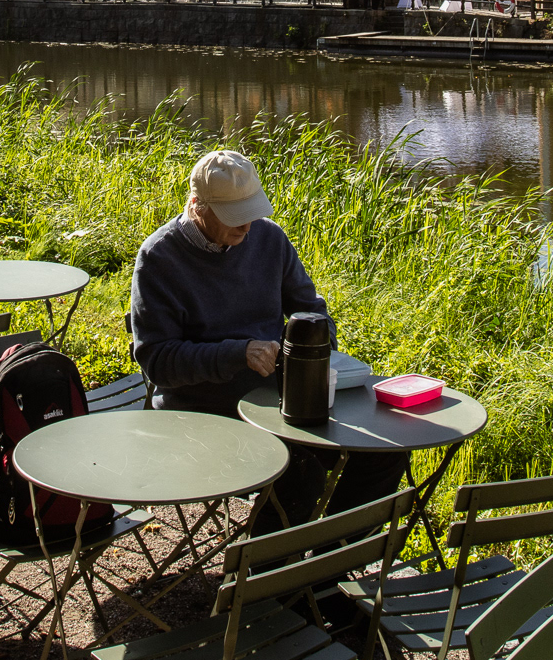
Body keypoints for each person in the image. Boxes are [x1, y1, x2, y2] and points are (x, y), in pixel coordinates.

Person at [130, 147, 406, 524]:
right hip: (202, 414)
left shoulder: (269, 238)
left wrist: (314, 344)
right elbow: (159, 362)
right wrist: (238, 353)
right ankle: (263, 563)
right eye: (235, 217)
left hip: (281, 404)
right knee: (299, 472)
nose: (247, 227)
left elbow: (311, 309)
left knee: (384, 453)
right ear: (197, 206)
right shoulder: (159, 258)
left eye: (251, 213)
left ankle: (334, 553)